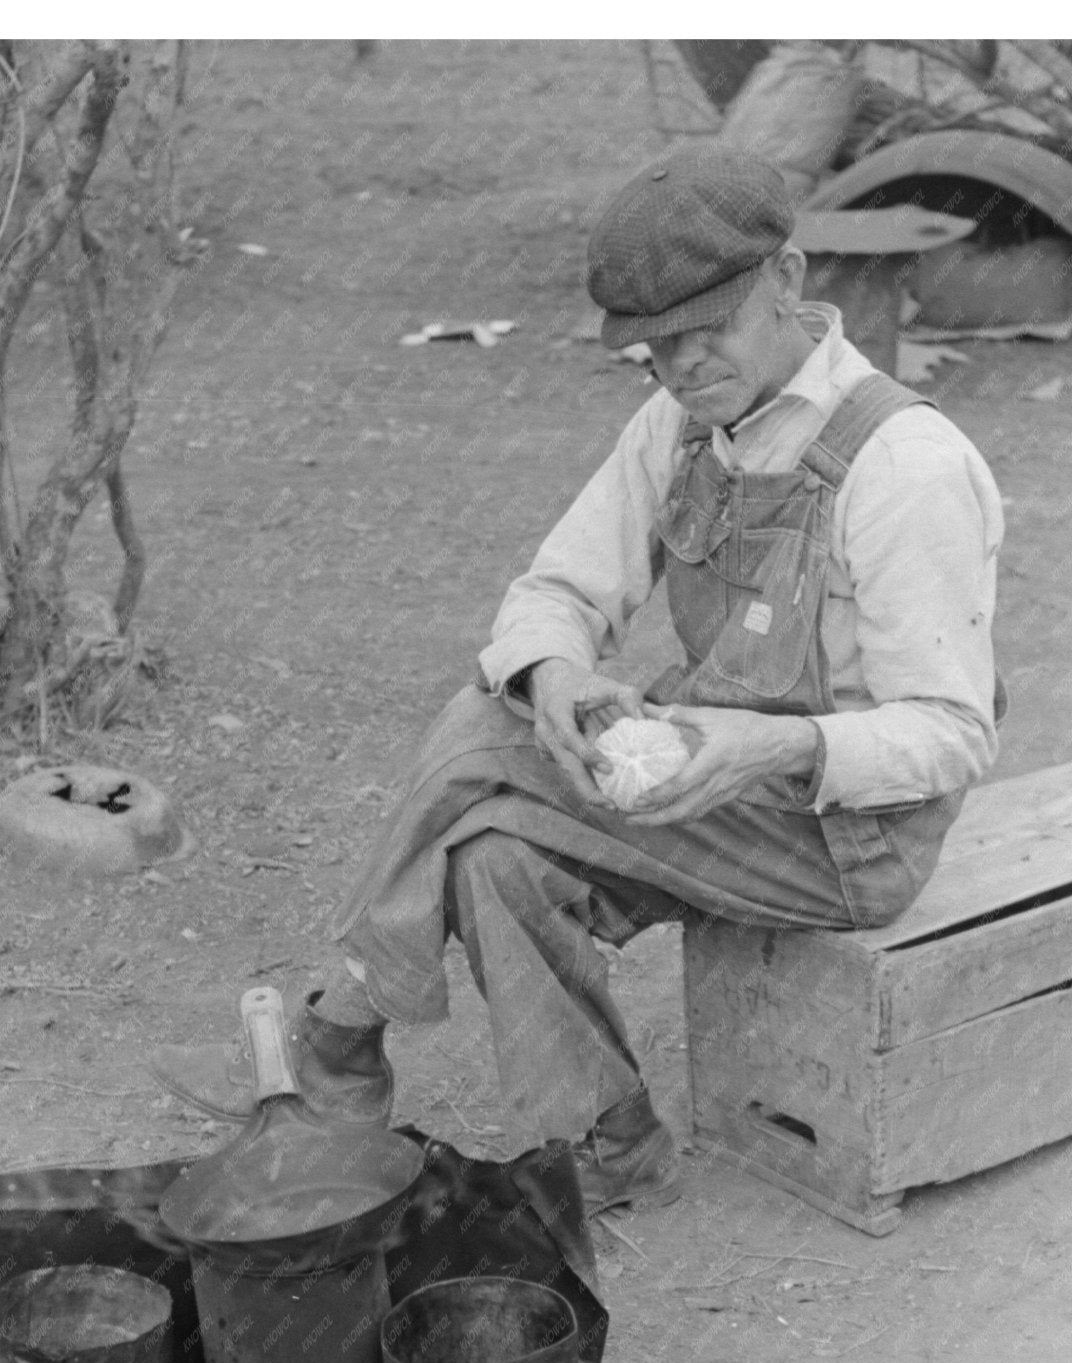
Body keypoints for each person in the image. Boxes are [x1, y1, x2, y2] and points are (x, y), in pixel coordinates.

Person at [154, 146, 1004, 1215]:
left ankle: (340, 1031)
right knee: (499, 853)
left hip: (848, 836)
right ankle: (609, 1141)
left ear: (787, 281)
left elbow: (954, 732)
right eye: (656, 348)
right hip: (724, 788)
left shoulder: (904, 466)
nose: (684, 366)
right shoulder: (684, 421)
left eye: (709, 329)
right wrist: (555, 670)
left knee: (479, 729)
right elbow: (557, 585)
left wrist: (777, 745)